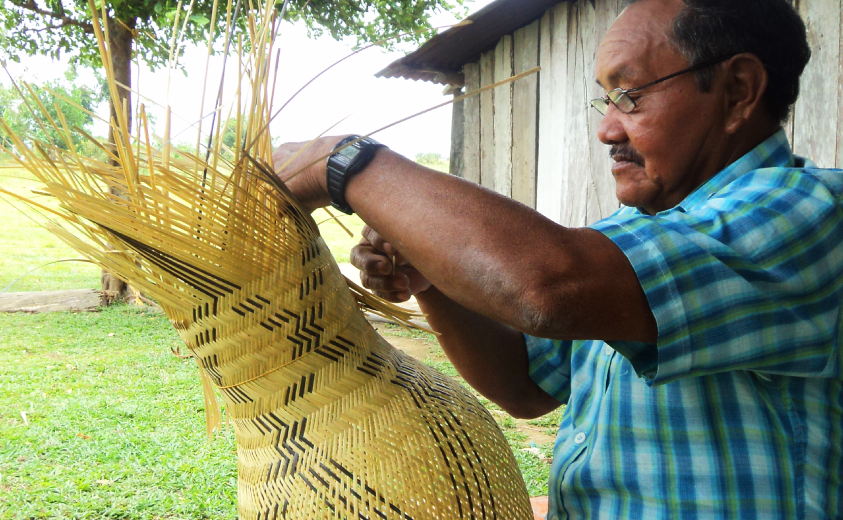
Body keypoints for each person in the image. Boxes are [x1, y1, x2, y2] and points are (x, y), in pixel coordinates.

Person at [274, 0, 843, 517]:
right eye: (606, 98)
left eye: (630, 95)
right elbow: (525, 386)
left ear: (738, 89)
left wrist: (344, 162)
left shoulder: (811, 213)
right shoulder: (633, 232)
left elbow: (545, 289)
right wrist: (431, 281)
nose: (606, 128)